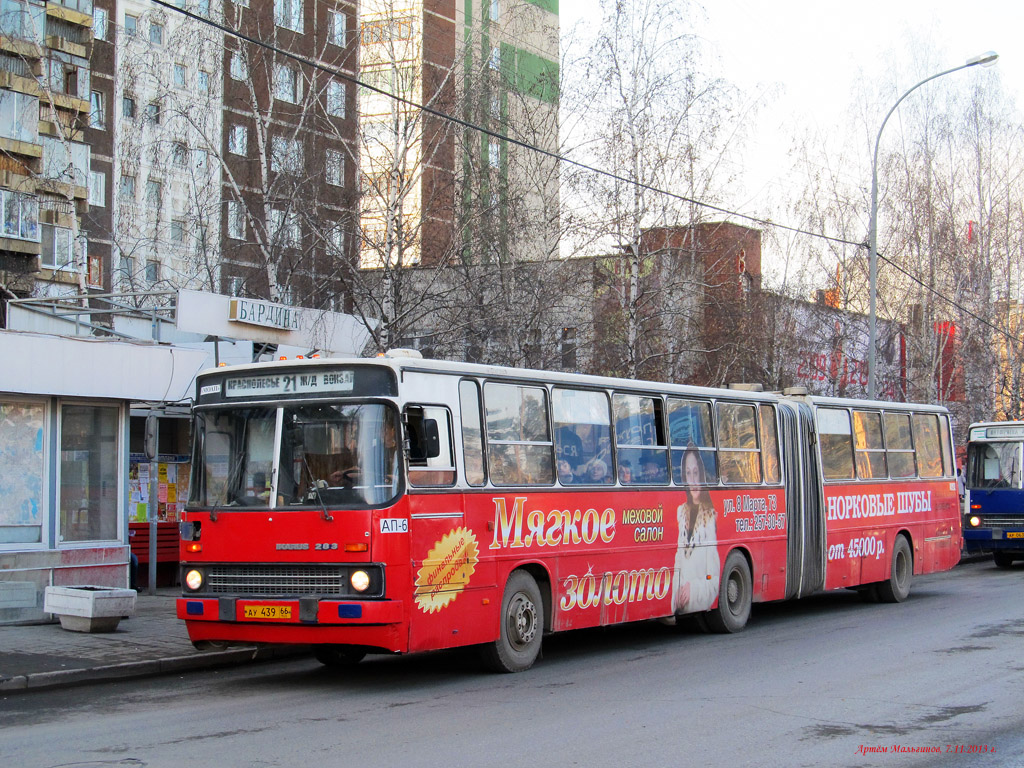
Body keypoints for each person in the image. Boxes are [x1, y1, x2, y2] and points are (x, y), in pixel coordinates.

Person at [673, 444, 720, 614]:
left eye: (696, 473)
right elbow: (678, 561)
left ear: (702, 474)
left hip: (698, 600)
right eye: (688, 473)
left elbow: (714, 579)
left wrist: (692, 589)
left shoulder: (710, 517)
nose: (692, 480)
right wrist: (677, 595)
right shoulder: (681, 513)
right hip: (681, 605)